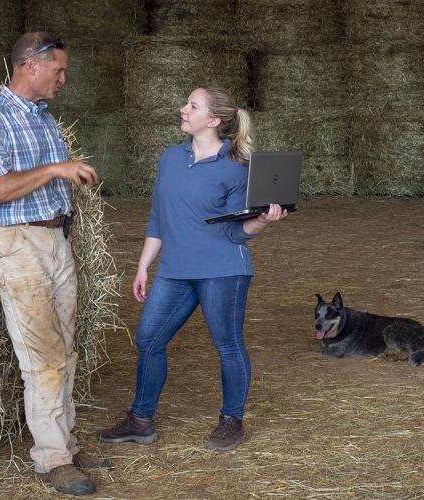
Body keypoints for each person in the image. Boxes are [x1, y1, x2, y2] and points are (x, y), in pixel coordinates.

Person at [98, 85, 288, 452]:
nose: (183, 108)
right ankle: (140, 421)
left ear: (213, 120)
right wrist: (143, 267)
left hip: (222, 270)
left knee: (228, 344)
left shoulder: (236, 167)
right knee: (149, 339)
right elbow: (159, 217)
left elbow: (236, 230)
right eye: (186, 101)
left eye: (192, 105)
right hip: (174, 271)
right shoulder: (170, 158)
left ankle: (231, 420)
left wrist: (265, 221)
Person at [0, 32, 109, 496]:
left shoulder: (44, 119)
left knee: (65, 347)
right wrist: (56, 169)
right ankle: (51, 458)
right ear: (31, 65)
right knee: (42, 354)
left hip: (54, 236)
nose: (64, 79)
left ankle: (63, 443)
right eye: (58, 70)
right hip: (17, 241)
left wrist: (68, 177)